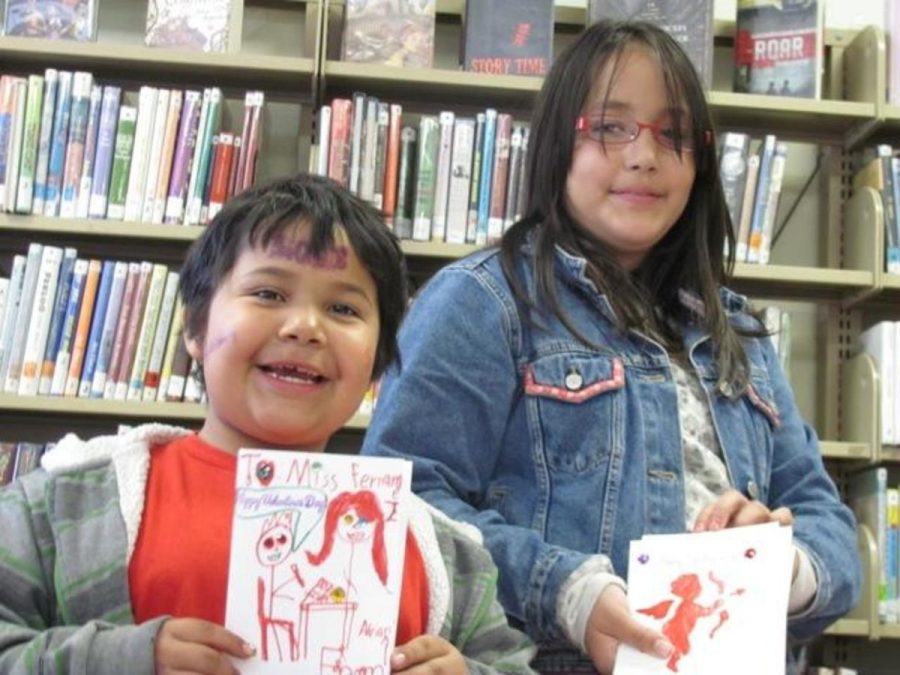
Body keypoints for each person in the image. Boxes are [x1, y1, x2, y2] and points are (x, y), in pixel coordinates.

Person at [361, 19, 861, 674]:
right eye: (609, 126)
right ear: (556, 144)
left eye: (673, 133)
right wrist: (568, 591)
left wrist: (780, 562)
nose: (644, 155)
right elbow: (407, 503)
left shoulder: (736, 332)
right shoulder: (481, 303)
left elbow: (827, 520)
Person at [0, 173, 537, 674]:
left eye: (344, 310)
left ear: (377, 363)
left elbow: (509, 662)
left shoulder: (441, 550)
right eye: (268, 294)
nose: (305, 327)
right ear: (194, 327)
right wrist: (115, 659)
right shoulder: (62, 506)